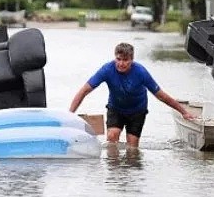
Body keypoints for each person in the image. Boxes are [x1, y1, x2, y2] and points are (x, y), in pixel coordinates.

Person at [69, 42, 198, 147]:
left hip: (137, 111)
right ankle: (114, 173)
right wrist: (70, 114)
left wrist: (183, 111)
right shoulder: (107, 70)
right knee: (112, 137)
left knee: (132, 147)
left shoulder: (141, 72)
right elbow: (84, 90)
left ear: (132, 60)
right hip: (116, 108)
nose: (121, 63)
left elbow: (161, 96)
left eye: (125, 60)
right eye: (118, 59)